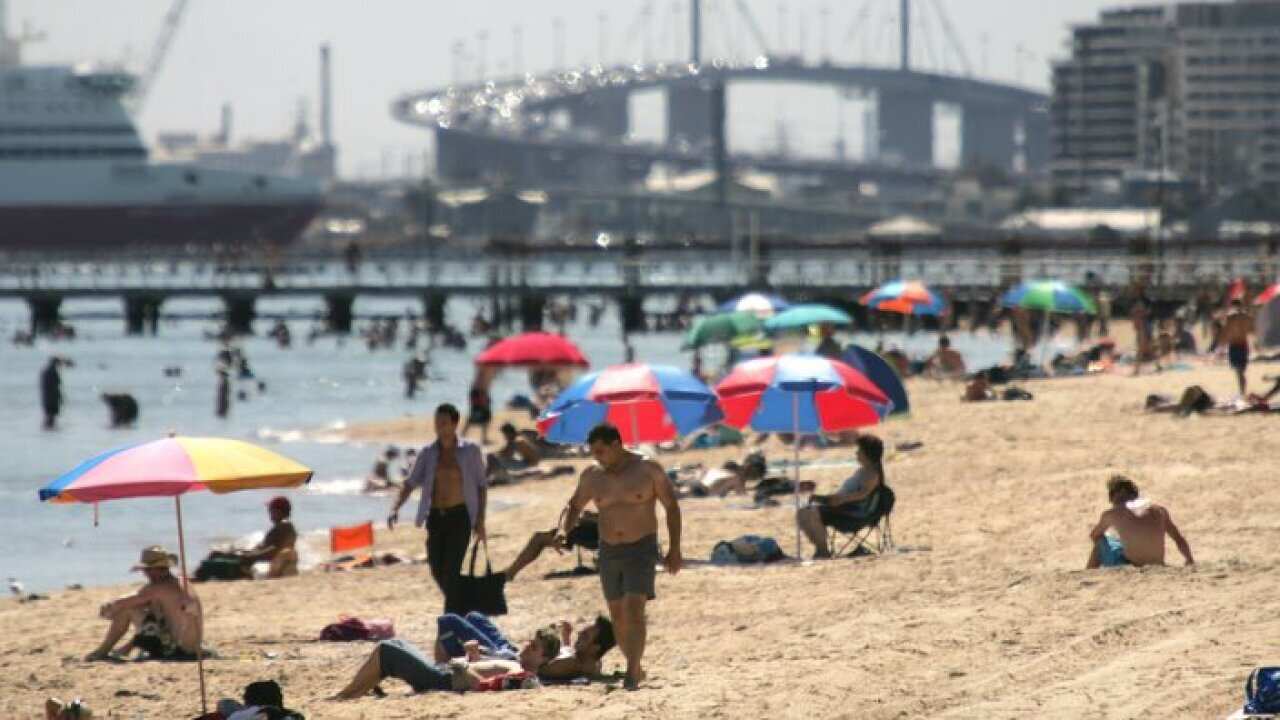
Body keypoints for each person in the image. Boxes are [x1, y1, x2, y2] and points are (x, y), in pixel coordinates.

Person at [560, 423, 682, 690]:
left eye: (601, 451)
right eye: (593, 452)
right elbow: (575, 505)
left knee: (634, 608)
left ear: (617, 444)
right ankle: (636, 665)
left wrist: (675, 549)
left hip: (641, 547)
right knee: (617, 615)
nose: (597, 457)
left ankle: (630, 671)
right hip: (609, 551)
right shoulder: (593, 476)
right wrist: (563, 532)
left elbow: (671, 507)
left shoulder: (648, 469)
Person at [388, 403, 489, 614]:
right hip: (435, 518)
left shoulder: (470, 451)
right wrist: (395, 508)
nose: (439, 427)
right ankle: (463, 606)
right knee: (436, 569)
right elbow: (410, 482)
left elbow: (481, 486)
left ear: (455, 424)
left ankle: (452, 618)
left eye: (443, 423)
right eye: (436, 422)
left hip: (460, 516)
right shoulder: (427, 453)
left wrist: (480, 521)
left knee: (451, 571)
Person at [334, 625, 559, 698]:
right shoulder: (516, 666)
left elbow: (483, 686)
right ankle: (352, 692)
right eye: (530, 642)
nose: (527, 647)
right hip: (444, 672)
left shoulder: (523, 675)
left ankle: (346, 695)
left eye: (534, 647)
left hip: (444, 679)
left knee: (387, 650)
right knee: (398, 644)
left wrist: (463, 666)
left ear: (544, 658)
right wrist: (472, 659)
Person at [85, 546, 203, 661]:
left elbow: (122, 603)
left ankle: (102, 651)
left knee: (127, 611)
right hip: (194, 648)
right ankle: (125, 649)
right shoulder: (182, 582)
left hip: (178, 650)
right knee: (151, 610)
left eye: (147, 570)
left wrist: (108, 608)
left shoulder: (157, 588)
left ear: (157, 569)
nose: (145, 574)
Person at [434, 611, 616, 683]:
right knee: (474, 617)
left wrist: (479, 658)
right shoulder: (589, 659)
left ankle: (441, 668)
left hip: (508, 657)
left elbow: (533, 667)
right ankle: (450, 657)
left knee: (449, 621)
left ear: (595, 647)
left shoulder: (574, 664)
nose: (579, 635)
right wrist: (566, 638)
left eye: (585, 636)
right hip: (513, 652)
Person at [796, 435, 885, 559]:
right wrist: (822, 498)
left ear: (867, 453)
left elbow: (862, 494)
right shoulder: (862, 471)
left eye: (859, 450)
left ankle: (823, 550)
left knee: (810, 513)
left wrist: (840, 500)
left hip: (853, 513)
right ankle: (820, 547)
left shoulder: (872, 474)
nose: (856, 453)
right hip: (843, 507)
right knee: (802, 513)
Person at [1086, 475, 1194, 569]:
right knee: (1117, 543)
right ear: (1136, 494)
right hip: (1157, 563)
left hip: (1131, 564)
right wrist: (1189, 559)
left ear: (1112, 497)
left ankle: (1089, 573)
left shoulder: (1112, 514)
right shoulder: (1160, 511)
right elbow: (1178, 539)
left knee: (1102, 542)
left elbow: (1094, 536)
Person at [211, 496, 298, 579]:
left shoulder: (282, 526)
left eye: (270, 510)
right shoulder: (288, 527)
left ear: (278, 511)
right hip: (262, 560)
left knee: (215, 556)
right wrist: (246, 553)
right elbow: (273, 549)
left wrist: (248, 556)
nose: (269, 513)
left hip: (259, 561)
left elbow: (271, 551)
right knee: (222, 554)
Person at [1216, 299, 1255, 395]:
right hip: (1243, 345)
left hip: (1235, 346)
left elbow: (1225, 333)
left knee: (1239, 372)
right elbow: (1252, 331)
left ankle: (1242, 393)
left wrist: (1221, 347)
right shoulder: (1247, 318)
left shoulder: (1230, 318)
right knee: (1241, 372)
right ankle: (1242, 392)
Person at [40, 356, 62, 430]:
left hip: (46, 397)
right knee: (51, 417)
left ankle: (47, 431)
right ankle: (49, 430)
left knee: (48, 416)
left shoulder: (45, 371)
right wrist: (60, 397)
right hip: (53, 398)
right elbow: (57, 385)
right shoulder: (53, 372)